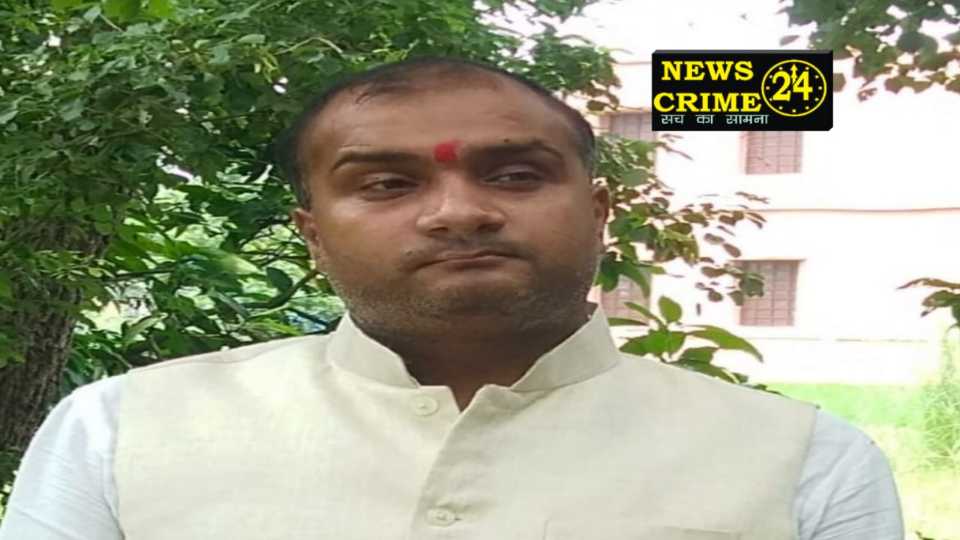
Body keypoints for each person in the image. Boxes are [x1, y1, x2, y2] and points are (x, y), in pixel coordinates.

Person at [0, 57, 903, 540]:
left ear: (598, 213)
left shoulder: (801, 462)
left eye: (515, 174)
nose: (459, 212)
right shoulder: (121, 433)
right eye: (387, 184)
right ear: (313, 234)